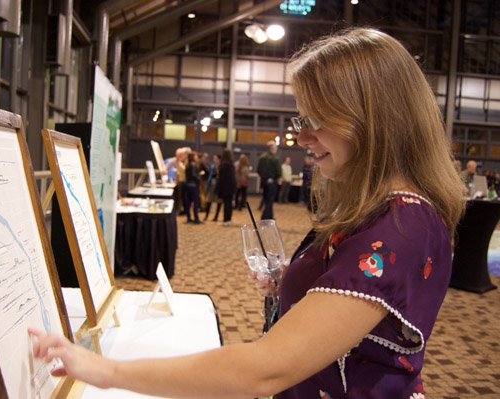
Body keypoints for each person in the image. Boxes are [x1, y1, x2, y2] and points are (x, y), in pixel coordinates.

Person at [29, 27, 465, 399]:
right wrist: (294, 282)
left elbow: (265, 368)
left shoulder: (401, 224)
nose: (304, 137)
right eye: (302, 120)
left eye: (319, 120)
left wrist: (103, 371)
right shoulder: (378, 209)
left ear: (374, 119)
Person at [257, 140, 282, 220]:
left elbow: (259, 170)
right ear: (273, 148)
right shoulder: (275, 159)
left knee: (266, 198)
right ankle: (265, 217)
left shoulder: (262, 157)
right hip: (272, 182)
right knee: (270, 200)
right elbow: (279, 172)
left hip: (264, 182)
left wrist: (264, 177)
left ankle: (270, 216)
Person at [217, 148, 236, 226]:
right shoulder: (231, 164)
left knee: (226, 204)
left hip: (225, 187)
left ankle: (225, 220)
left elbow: (221, 178)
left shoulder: (223, 165)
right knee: (229, 204)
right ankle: (228, 219)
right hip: (231, 187)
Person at [184, 152, 202, 224]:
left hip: (187, 185)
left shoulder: (187, 165)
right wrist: (199, 178)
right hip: (193, 186)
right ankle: (196, 219)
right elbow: (194, 175)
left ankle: (189, 218)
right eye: (195, 156)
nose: (196, 158)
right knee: (196, 202)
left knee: (188, 202)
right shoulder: (193, 165)